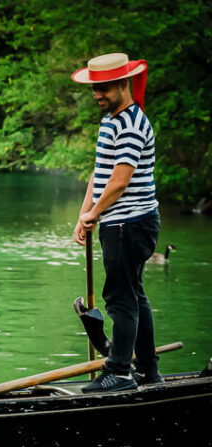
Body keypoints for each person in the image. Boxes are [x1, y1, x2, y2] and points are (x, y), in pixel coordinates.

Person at [71, 52, 161, 392]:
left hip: (130, 223)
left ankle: (120, 371)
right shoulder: (110, 120)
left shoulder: (132, 124)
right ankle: (149, 370)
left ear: (123, 84)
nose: (97, 95)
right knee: (134, 296)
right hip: (119, 222)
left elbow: (121, 181)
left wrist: (96, 213)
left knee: (121, 299)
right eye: (94, 89)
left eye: (103, 88)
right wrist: (86, 213)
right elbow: (101, 172)